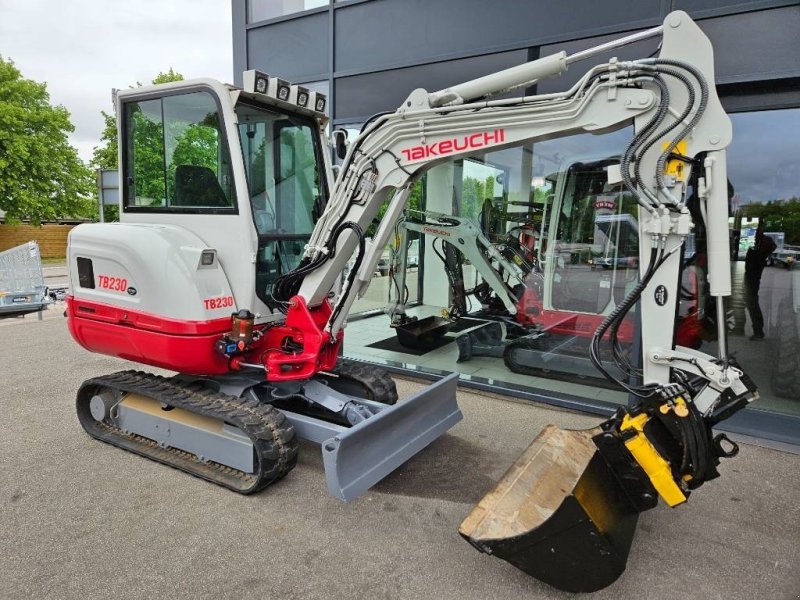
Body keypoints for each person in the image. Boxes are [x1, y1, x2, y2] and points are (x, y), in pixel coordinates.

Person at [744, 227, 777, 340]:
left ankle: (758, 330)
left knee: (752, 305)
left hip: (751, 282)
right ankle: (758, 330)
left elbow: (749, 267)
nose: (756, 238)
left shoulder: (758, 255)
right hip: (752, 282)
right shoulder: (760, 255)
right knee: (752, 305)